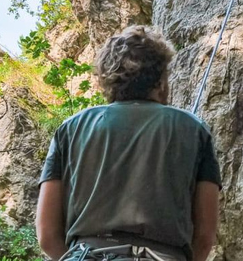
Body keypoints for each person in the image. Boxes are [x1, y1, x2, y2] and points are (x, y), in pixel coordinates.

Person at [36, 25, 222, 261]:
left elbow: (47, 235)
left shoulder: (70, 129)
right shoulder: (195, 130)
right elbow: (204, 237)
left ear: (106, 80)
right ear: (161, 80)